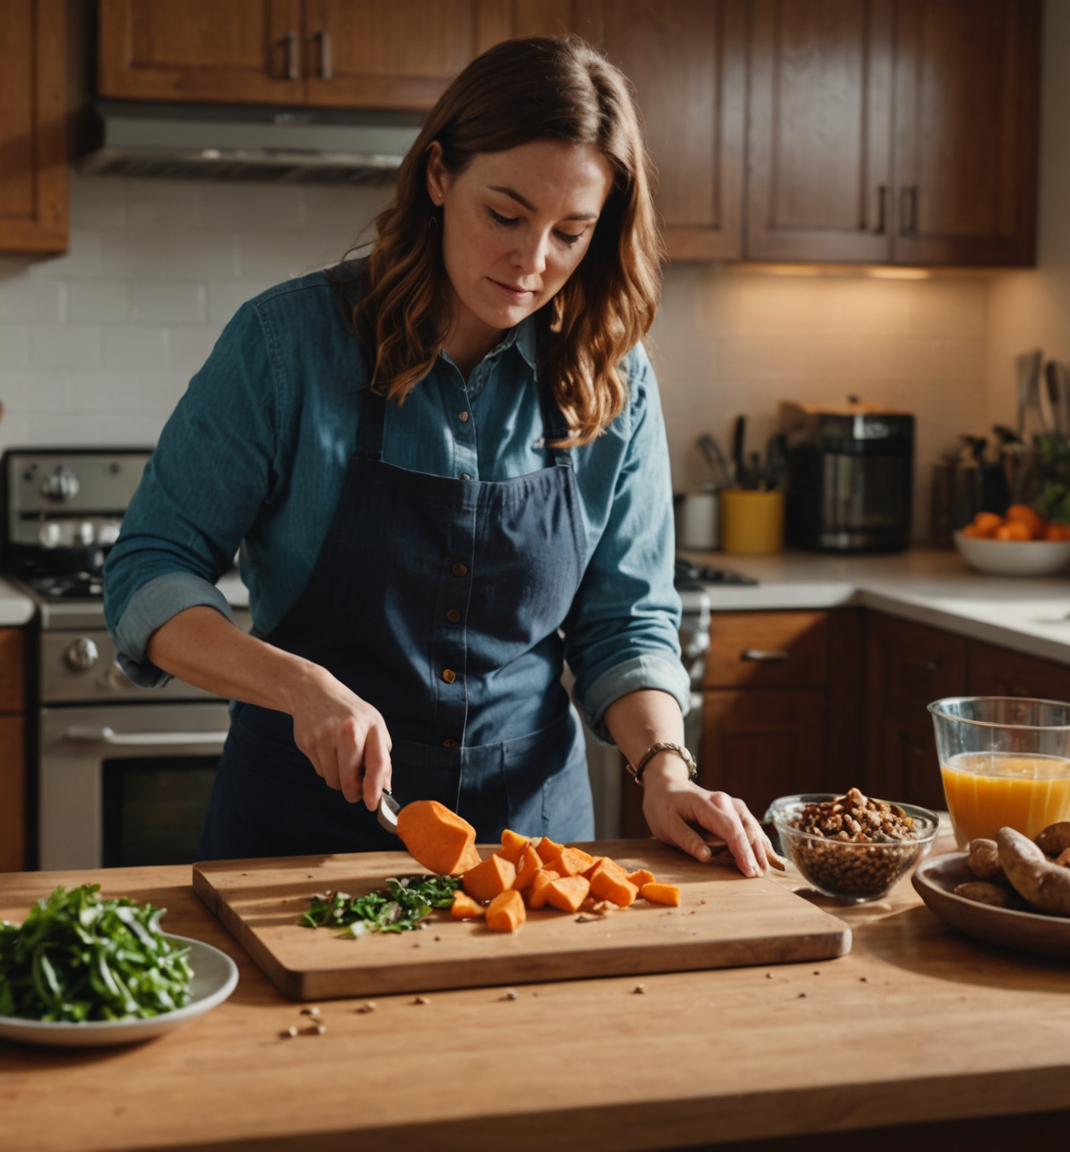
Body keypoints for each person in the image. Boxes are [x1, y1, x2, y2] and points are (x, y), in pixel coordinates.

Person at [101, 35, 769, 876]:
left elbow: (625, 621)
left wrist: (665, 769)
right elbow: (148, 570)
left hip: (534, 848)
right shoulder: (287, 346)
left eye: (571, 233)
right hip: (297, 842)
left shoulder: (613, 377)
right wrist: (301, 687)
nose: (532, 263)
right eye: (506, 215)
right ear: (438, 175)